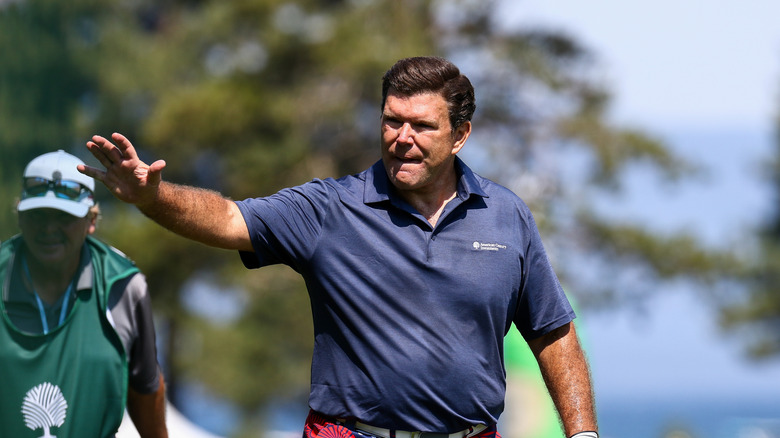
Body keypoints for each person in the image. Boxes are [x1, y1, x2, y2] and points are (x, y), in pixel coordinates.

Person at [79, 56, 598, 438]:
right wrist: (153, 197)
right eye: (392, 121)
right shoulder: (330, 209)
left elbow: (553, 334)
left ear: (460, 135)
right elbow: (228, 218)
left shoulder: (507, 216)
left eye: (422, 126)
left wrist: (583, 435)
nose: (403, 137)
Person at [0, 150, 168, 438]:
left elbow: (147, 389)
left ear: (91, 219)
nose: (49, 228)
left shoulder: (123, 286)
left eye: (63, 216)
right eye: (39, 214)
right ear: (21, 216)